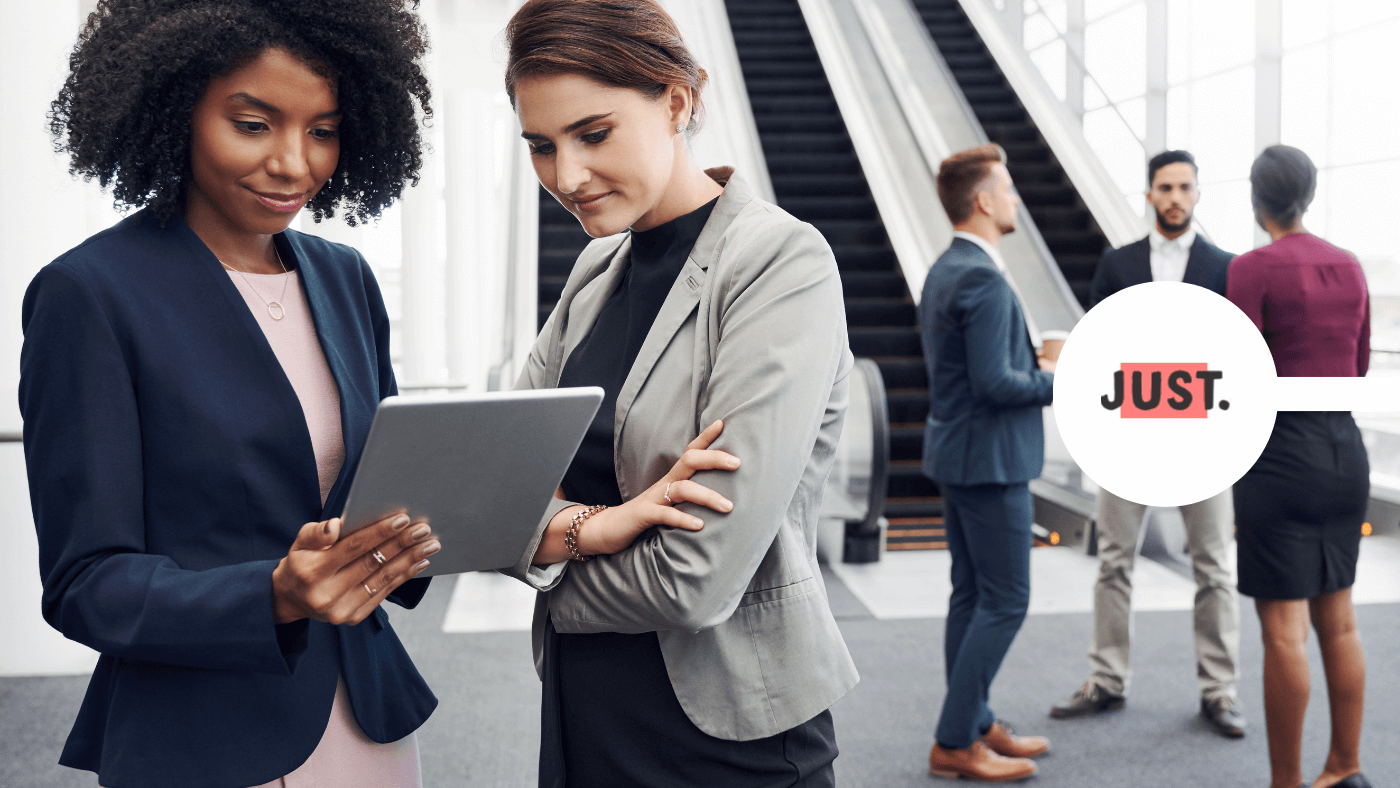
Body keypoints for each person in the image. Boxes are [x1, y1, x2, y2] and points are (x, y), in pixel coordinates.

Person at [23, 3, 441, 786]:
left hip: (365, 720)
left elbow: (381, 491)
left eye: (323, 129)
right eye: (253, 124)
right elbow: (86, 583)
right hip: (206, 737)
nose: (295, 163)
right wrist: (274, 594)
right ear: (176, 111)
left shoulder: (344, 278)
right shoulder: (90, 295)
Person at [497, 1, 858, 785]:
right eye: (541, 146)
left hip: (726, 735)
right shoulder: (597, 271)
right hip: (583, 708)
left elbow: (695, 577)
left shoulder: (777, 262)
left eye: (594, 134)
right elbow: (495, 483)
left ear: (679, 100)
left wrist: (545, 548)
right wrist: (600, 527)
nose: (567, 176)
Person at [1052, 149, 1246, 739]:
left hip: (1202, 441)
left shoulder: (1225, 268)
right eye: (1165, 187)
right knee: (1114, 561)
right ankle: (1107, 679)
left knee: (1214, 568)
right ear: (1148, 194)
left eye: (1185, 187)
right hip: (1130, 436)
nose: (1175, 197)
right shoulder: (1118, 264)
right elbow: (1096, 349)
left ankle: (1220, 691)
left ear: (1197, 193)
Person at [1228, 145, 1373, 788]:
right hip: (1345, 452)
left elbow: (1239, 376)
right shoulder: (1350, 266)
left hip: (1280, 457)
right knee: (1337, 620)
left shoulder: (1252, 268)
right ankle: (1344, 766)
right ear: (1307, 195)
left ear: (1256, 200)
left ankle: (1285, 783)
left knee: (1283, 630)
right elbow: (1360, 365)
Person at [919, 144, 1055, 782]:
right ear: (983, 201)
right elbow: (998, 384)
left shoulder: (948, 268)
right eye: (1008, 189)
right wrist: (1059, 375)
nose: (1016, 199)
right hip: (992, 464)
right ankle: (955, 739)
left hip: (959, 454)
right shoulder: (983, 278)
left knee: (971, 596)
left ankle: (973, 720)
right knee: (1005, 601)